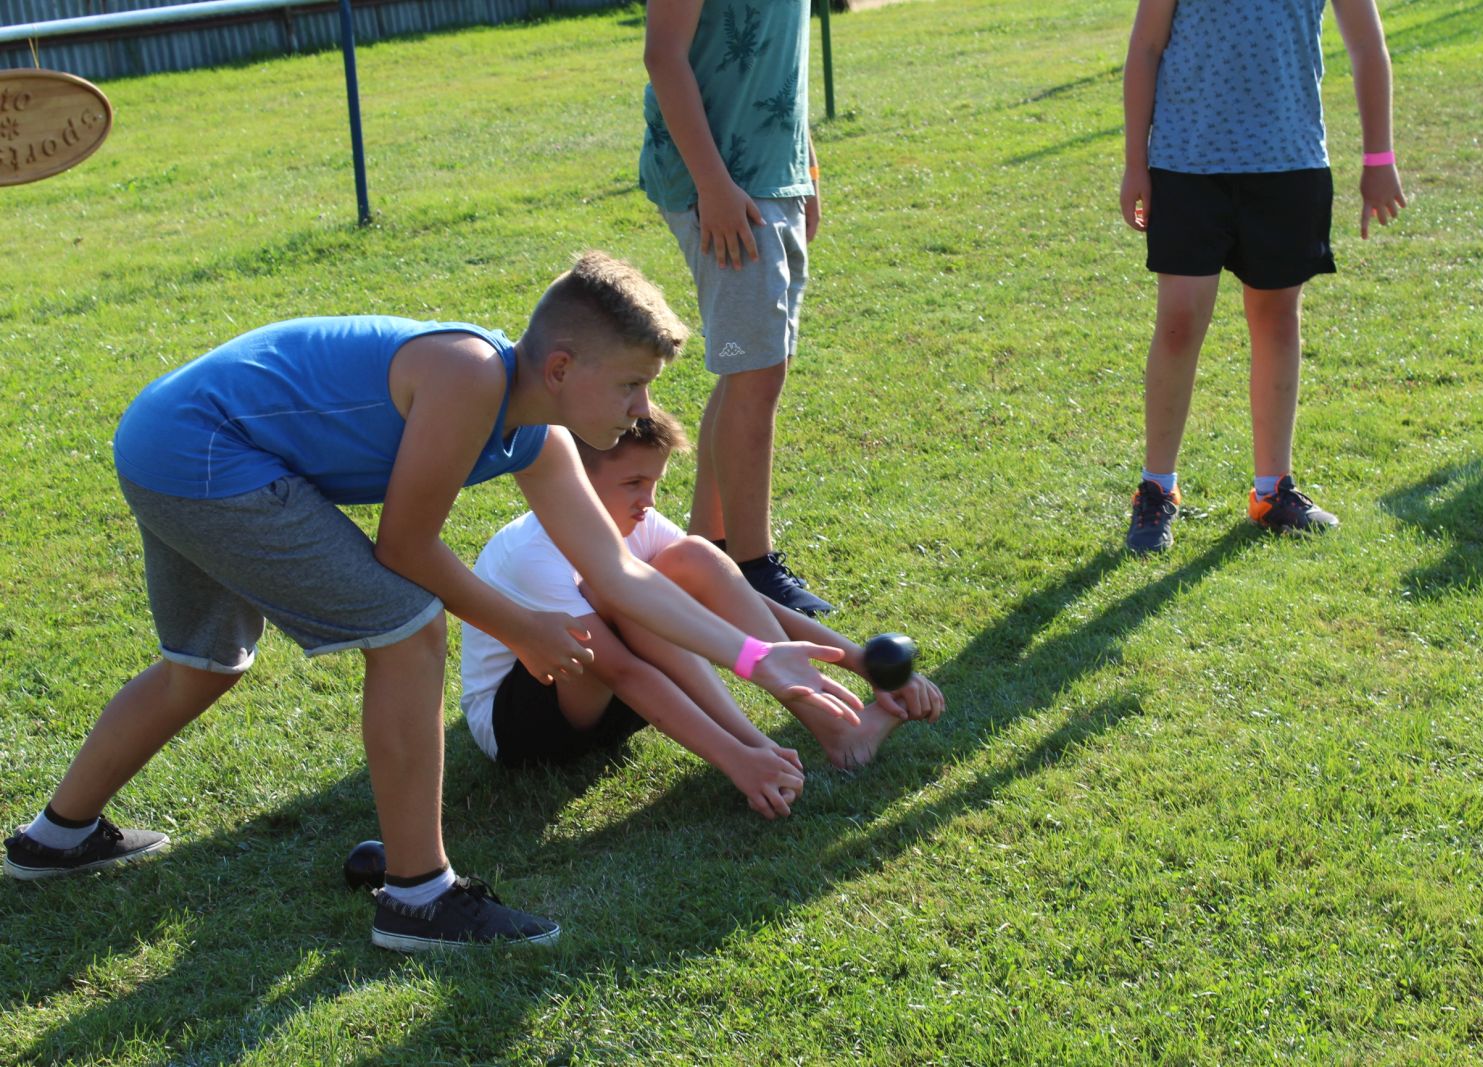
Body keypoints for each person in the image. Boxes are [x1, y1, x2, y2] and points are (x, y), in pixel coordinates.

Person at [2, 251, 862, 953]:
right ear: (561, 368)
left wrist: (757, 656)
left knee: (203, 664)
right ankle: (418, 895)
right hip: (205, 452)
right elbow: (405, 549)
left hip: (164, 441)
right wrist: (521, 625)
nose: (644, 408)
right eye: (632, 385)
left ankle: (56, 836)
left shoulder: (540, 436)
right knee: (408, 622)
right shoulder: (470, 376)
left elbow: (620, 576)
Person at [461, 405, 944, 811]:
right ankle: (759, 751)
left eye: (654, 483)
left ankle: (839, 731)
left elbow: (737, 597)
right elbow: (625, 672)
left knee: (692, 557)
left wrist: (864, 663)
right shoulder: (532, 554)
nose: (648, 501)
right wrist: (736, 758)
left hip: (619, 702)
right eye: (634, 482)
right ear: (578, 482)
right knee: (619, 594)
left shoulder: (637, 521)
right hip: (525, 727)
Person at [1119, 0, 1407, 553]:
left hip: (1288, 163)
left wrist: (1379, 158)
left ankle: (1273, 491)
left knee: (1276, 320)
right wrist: (1136, 163)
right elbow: (1146, 47)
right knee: (1178, 322)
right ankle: (1156, 489)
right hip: (1185, 165)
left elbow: (1367, 47)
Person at [639, 0, 833, 615]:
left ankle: (709, 551)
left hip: (772, 176)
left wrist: (805, 165)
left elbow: (781, 59)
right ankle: (752, 567)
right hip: (722, 183)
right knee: (754, 370)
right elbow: (663, 55)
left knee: (750, 366)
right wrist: (713, 185)